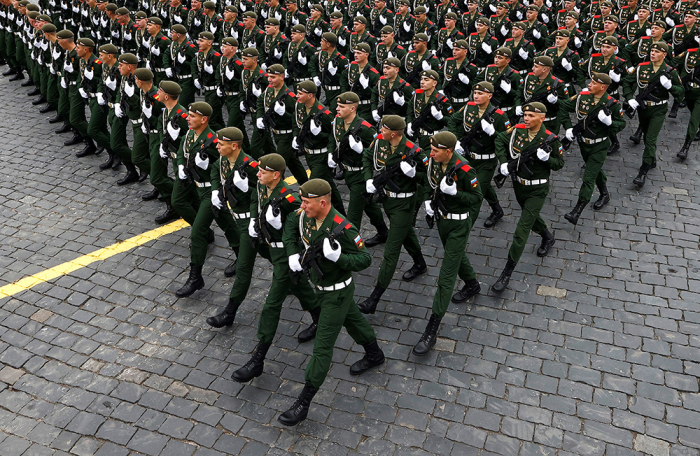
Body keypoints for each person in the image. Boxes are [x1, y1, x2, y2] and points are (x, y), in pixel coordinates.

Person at [278, 178, 385, 426]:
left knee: (322, 348)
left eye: (306, 202)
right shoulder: (305, 216)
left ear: (323, 203)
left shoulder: (343, 228)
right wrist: (292, 252)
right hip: (321, 288)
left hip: (336, 293)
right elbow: (290, 225)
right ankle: (374, 353)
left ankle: (304, 402)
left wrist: (339, 258)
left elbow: (365, 259)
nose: (302, 206)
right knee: (353, 319)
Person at [230, 154, 321, 382]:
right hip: (270, 246)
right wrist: (254, 219)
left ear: (276, 175)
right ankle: (319, 315)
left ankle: (258, 359)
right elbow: (255, 198)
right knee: (298, 285)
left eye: (263, 171)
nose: (258, 174)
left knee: (271, 305)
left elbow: (305, 224)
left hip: (285, 254)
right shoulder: (263, 185)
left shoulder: (289, 199)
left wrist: (291, 249)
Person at [414, 131, 482, 355]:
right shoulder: (435, 161)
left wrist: (455, 194)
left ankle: (431, 330)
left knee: (446, 275)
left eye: (435, 150)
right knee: (456, 256)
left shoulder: (465, 170)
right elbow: (429, 182)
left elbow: (477, 198)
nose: (431, 153)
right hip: (442, 220)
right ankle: (472, 284)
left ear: (449, 151)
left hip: (459, 225)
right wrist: (429, 201)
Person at [358, 115, 428, 314]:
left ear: (394, 134)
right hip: (387, 200)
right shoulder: (380, 141)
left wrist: (414, 175)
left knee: (391, 251)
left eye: (384, 128)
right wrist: (368, 179)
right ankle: (420, 263)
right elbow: (366, 156)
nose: (380, 130)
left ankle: (374, 298)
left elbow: (430, 177)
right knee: (405, 233)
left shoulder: (415, 151)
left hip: (404, 204)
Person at [492, 102, 564, 292]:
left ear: (542, 118)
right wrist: (503, 162)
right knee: (529, 215)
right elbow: (499, 139)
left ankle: (507, 272)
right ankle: (547, 236)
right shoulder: (517, 130)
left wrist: (547, 159)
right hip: (519, 186)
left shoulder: (550, 138)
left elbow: (559, 163)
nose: (526, 118)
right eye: (525, 114)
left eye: (531, 115)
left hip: (537, 189)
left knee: (522, 230)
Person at [172, 102, 240, 297]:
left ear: (204, 119)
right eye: (188, 115)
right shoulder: (190, 134)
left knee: (197, 232)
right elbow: (182, 151)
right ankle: (242, 254)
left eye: (192, 116)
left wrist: (208, 167)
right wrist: (180, 165)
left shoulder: (213, 141)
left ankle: (195, 277)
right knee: (224, 221)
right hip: (194, 185)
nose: (187, 118)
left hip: (210, 190)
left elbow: (223, 166)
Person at [205, 127, 261, 327]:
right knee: (275, 258)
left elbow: (266, 192)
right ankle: (298, 286)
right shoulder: (224, 160)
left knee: (243, 269)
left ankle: (230, 312)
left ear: (234, 146)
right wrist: (215, 189)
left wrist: (249, 189)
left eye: (221, 144)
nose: (217, 147)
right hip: (238, 219)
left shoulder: (251, 166)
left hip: (252, 222)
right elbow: (214, 169)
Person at [558, 73, 626, 225]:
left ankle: (577, 210)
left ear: (603, 87)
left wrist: (610, 123)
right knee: (594, 169)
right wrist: (568, 127)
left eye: (594, 83)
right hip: (583, 143)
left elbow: (622, 124)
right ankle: (604, 193)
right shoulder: (582, 97)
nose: (589, 84)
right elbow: (563, 106)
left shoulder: (612, 104)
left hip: (599, 146)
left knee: (588, 178)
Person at [327, 92, 388, 245]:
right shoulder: (338, 121)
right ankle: (383, 232)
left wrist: (363, 150)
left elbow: (380, 151)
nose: (337, 109)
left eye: (341, 106)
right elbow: (333, 138)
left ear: (353, 108)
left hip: (360, 174)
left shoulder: (366, 129)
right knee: (368, 205)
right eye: (338, 106)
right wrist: (330, 154)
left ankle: (350, 245)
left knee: (353, 214)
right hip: (347, 172)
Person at [448, 81, 511, 228]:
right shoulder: (468, 107)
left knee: (475, 194)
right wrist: (455, 140)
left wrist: (493, 133)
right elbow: (452, 121)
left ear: (490, 96)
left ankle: (464, 229)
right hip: (468, 158)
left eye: (480, 93)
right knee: (482, 185)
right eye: (475, 93)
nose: (476, 96)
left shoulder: (500, 116)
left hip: (486, 162)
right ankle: (497, 210)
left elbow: (507, 141)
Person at [622, 42, 683, 187]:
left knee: (650, 139)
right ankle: (652, 159)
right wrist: (629, 98)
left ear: (664, 54)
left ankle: (643, 171)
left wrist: (670, 87)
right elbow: (627, 82)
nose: (653, 53)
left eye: (657, 51)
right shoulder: (641, 67)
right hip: (643, 109)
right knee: (645, 135)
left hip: (659, 109)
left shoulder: (670, 71)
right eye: (652, 51)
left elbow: (681, 92)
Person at [292, 80, 345, 212]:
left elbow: (334, 136)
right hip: (308, 154)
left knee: (313, 184)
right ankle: (341, 212)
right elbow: (296, 122)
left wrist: (319, 134)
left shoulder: (325, 114)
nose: (297, 96)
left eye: (300, 93)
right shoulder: (299, 106)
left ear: (310, 95)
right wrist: (295, 136)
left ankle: (307, 209)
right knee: (329, 185)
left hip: (321, 155)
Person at [254, 63, 309, 184]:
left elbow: (298, 119)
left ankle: (278, 188)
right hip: (276, 134)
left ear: (282, 77)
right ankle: (305, 183)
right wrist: (259, 117)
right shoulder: (269, 90)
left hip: (287, 135)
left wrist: (284, 114)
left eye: (273, 77)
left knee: (278, 165)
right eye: (269, 76)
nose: (269, 79)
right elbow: (260, 101)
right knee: (292, 162)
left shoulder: (290, 96)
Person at [153, 80, 188, 225]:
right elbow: (161, 127)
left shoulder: (182, 115)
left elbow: (191, 139)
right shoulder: (167, 110)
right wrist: (163, 143)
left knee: (186, 190)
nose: (157, 93)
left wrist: (177, 138)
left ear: (166, 96)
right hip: (172, 155)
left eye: (160, 91)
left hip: (181, 158)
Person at [674, 46, 700, 159]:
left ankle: (685, 147)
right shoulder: (690, 53)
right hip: (690, 91)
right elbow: (673, 62)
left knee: (694, 119)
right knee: (692, 110)